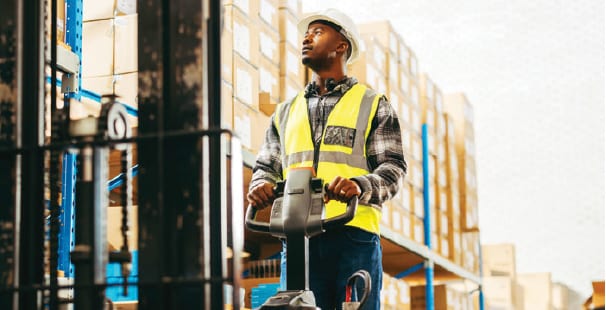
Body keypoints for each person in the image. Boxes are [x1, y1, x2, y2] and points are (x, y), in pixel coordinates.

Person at [247, 8, 407, 310]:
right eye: (305, 34)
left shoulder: (373, 104)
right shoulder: (286, 111)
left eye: (317, 32)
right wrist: (261, 184)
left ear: (341, 46)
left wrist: (359, 185)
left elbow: (393, 169)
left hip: (353, 235)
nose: (306, 38)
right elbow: (266, 165)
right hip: (297, 239)